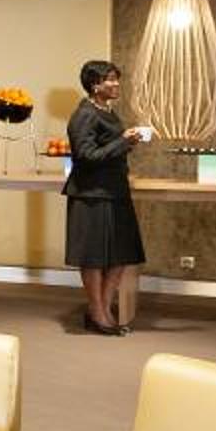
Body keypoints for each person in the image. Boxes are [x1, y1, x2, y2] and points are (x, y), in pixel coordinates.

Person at [64, 58, 157, 336]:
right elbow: (86, 156)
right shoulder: (84, 115)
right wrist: (123, 141)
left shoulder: (108, 112)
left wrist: (127, 141)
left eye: (117, 78)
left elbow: (109, 148)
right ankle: (99, 313)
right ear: (95, 85)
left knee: (121, 254)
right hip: (91, 195)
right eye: (110, 79)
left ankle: (101, 309)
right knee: (93, 257)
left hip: (115, 192)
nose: (117, 84)